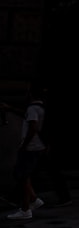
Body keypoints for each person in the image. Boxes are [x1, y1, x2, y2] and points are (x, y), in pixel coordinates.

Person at [5, 85, 47, 220]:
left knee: (22, 176)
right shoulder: (40, 108)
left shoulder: (32, 108)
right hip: (37, 146)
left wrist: (25, 145)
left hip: (31, 147)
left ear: (30, 94)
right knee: (23, 175)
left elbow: (33, 127)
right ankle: (33, 200)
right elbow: (28, 116)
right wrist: (10, 108)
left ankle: (25, 209)